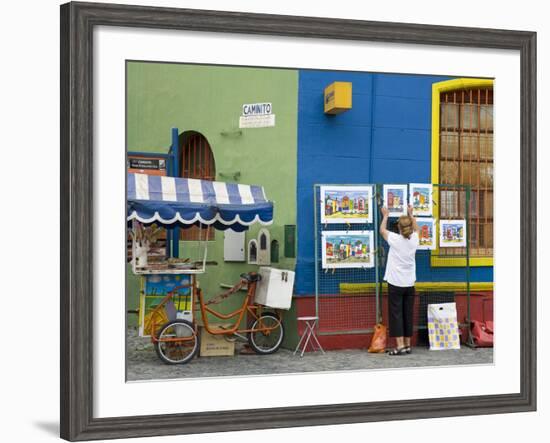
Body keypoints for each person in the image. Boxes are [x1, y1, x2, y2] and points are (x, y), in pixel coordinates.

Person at [379, 205, 419, 356]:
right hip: (410, 284)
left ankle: (400, 346)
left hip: (396, 283)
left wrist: (385, 216)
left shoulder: (395, 239)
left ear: (400, 229)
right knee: (407, 313)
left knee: (396, 314)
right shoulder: (414, 240)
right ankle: (408, 345)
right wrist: (411, 214)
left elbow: (382, 230)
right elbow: (417, 229)